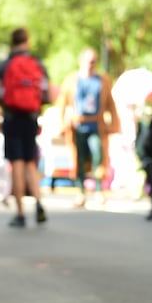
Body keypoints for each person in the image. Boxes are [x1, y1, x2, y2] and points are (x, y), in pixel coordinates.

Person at [0, 26, 49, 228]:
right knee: (30, 161)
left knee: (16, 162)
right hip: (32, 117)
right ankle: (39, 203)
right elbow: (48, 93)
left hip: (12, 117)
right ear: (27, 41)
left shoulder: (5, 65)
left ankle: (21, 212)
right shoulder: (37, 64)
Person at [62, 49, 117, 208]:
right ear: (81, 61)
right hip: (77, 125)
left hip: (96, 125)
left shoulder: (103, 80)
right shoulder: (72, 80)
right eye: (88, 60)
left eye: (94, 60)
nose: (91, 64)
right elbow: (63, 103)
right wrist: (62, 123)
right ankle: (80, 191)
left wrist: (113, 124)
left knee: (97, 155)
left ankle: (99, 190)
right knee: (78, 158)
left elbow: (110, 104)